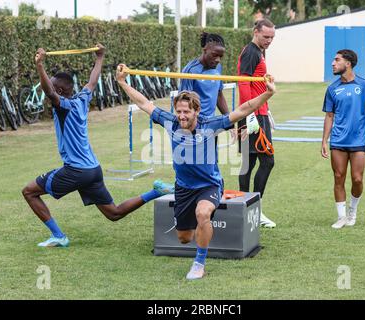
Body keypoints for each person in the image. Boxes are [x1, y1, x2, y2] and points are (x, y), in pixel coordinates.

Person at [116, 63, 276, 280]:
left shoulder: (210, 124)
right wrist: (122, 82)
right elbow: (144, 103)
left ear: (196, 111)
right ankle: (187, 214)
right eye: (179, 111)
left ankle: (199, 263)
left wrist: (268, 92)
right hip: (183, 187)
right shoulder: (170, 122)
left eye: (186, 112)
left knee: (202, 214)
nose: (182, 116)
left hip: (209, 185)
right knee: (184, 237)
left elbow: (243, 109)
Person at [22, 44, 174, 247]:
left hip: (75, 170)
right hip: (92, 170)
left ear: (59, 90)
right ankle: (156, 191)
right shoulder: (82, 99)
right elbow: (92, 82)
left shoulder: (64, 107)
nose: (46, 85)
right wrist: (100, 57)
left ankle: (59, 236)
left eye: (50, 83)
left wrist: (40, 65)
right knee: (114, 213)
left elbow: (49, 92)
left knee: (29, 192)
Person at [321, 49, 365, 229]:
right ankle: (341, 217)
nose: (333, 63)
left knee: (357, 179)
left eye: (337, 60)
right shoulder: (332, 88)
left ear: (348, 63)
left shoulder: (364, 85)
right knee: (338, 177)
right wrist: (324, 140)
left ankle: (353, 211)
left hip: (359, 140)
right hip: (338, 140)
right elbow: (329, 116)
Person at [237, 19, 277, 228]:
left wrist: (266, 108)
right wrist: (249, 114)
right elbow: (243, 82)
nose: (269, 40)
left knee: (250, 163)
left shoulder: (258, 51)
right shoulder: (251, 52)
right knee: (266, 162)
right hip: (253, 115)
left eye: (272, 37)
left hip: (258, 112)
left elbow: (256, 83)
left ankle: (246, 210)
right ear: (255, 32)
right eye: (265, 37)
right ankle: (252, 208)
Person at [180, 32, 229, 117]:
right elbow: (183, 102)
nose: (218, 60)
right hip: (194, 123)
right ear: (205, 50)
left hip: (210, 123)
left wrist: (229, 120)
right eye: (214, 55)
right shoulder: (190, 70)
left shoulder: (217, 67)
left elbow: (219, 95)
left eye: (220, 56)